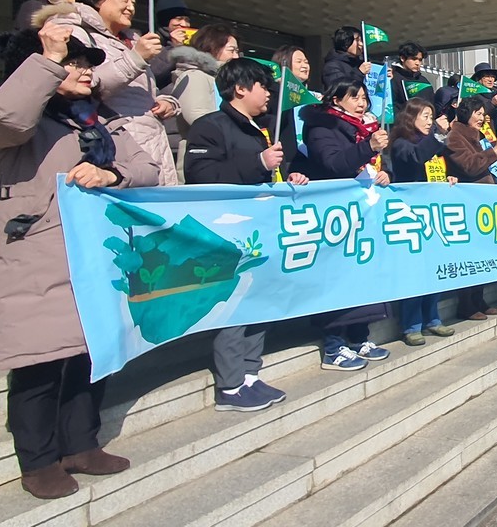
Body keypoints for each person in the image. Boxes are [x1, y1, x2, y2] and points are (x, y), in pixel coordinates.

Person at [0, 18, 161, 499]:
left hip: (95, 253)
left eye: (88, 64)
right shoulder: (26, 117)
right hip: (38, 254)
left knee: (94, 352)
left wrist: (112, 176)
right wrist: (46, 59)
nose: (86, 72)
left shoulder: (98, 120)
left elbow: (146, 165)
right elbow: (9, 118)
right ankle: (39, 458)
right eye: (73, 64)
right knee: (40, 363)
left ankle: (81, 443)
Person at [184, 58, 308, 411]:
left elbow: (274, 169)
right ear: (240, 88)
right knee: (234, 307)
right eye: (263, 86)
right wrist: (259, 163)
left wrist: (290, 177)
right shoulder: (210, 127)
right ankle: (230, 385)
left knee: (260, 303)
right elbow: (201, 176)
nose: (269, 93)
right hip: (229, 233)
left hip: (264, 229)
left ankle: (251, 374)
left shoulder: (264, 128)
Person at [293, 80, 393, 370]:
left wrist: (385, 176)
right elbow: (333, 164)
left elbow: (372, 166)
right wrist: (367, 147)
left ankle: (359, 338)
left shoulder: (365, 129)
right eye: (354, 97)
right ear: (336, 99)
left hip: (362, 214)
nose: (362, 103)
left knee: (363, 276)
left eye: (364, 97)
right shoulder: (321, 126)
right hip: (334, 215)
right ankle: (333, 347)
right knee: (337, 277)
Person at [50, 0, 181, 185]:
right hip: (120, 139)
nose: (131, 7)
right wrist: (135, 58)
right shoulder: (78, 33)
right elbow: (85, 86)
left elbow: (143, 91)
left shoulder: (131, 40)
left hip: (153, 140)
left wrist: (167, 103)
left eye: (133, 2)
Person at [386, 96, 458, 345]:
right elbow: (417, 158)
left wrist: (447, 180)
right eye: (425, 117)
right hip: (409, 217)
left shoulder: (431, 144)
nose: (429, 122)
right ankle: (411, 325)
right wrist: (438, 134)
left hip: (430, 217)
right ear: (410, 118)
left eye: (431, 117)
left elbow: (432, 169)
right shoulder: (401, 144)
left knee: (433, 270)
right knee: (413, 273)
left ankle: (433, 319)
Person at [445, 95, 497, 320]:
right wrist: (495, 151)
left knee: (482, 254)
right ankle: (466, 303)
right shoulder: (454, 137)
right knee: (469, 256)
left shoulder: (478, 137)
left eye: (484, 114)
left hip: (484, 204)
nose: (482, 118)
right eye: (478, 113)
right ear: (465, 113)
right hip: (468, 205)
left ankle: (478, 298)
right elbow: (470, 166)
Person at [169, 24, 241, 175]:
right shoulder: (194, 76)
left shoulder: (223, 80)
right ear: (212, 48)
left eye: (237, 51)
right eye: (231, 51)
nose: (236, 57)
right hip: (203, 158)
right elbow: (198, 117)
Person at [149, 0, 194, 90]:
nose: (184, 24)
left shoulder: (190, 46)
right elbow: (153, 72)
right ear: (166, 21)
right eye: (179, 19)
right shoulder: (151, 41)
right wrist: (175, 48)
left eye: (187, 20)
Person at [321, 26, 371, 90]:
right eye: (357, 40)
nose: (361, 44)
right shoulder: (332, 66)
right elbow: (338, 88)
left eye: (362, 41)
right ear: (346, 42)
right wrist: (359, 73)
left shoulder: (361, 63)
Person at [390, 42, 433, 111]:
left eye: (420, 60)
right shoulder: (393, 78)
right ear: (402, 58)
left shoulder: (424, 81)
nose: (417, 63)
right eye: (413, 59)